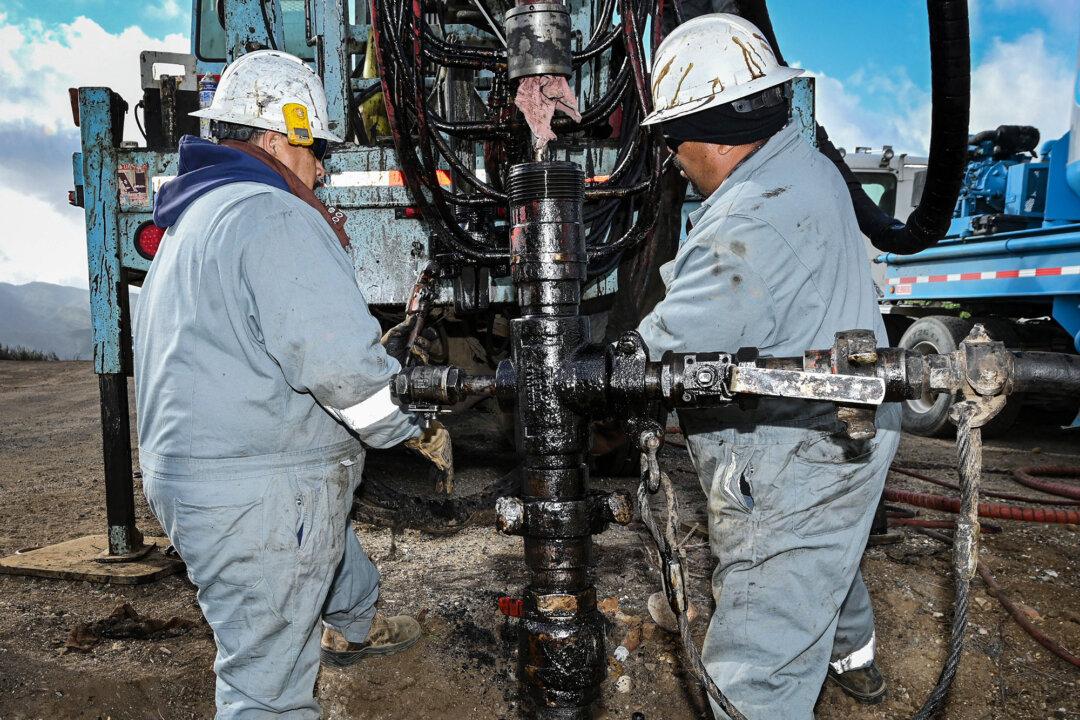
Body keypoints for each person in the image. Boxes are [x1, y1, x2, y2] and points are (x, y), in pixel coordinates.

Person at [133, 49, 451, 718]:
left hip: (209, 475)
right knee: (266, 688)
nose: (324, 167)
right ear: (279, 137)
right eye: (316, 148)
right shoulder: (274, 216)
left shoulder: (199, 216)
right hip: (256, 495)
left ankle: (355, 620)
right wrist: (414, 428)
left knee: (330, 543)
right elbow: (347, 377)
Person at [636, 14, 902, 718]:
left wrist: (609, 366)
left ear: (707, 136)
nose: (675, 161)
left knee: (762, 640)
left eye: (672, 144)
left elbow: (659, 351)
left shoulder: (748, 225)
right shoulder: (806, 167)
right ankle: (855, 658)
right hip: (857, 422)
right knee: (831, 549)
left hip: (802, 447)